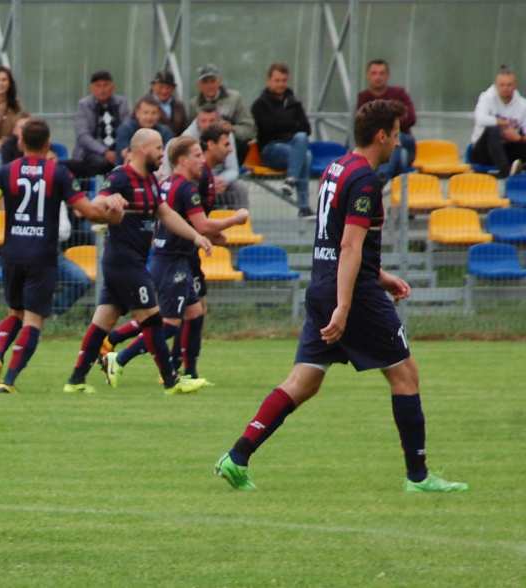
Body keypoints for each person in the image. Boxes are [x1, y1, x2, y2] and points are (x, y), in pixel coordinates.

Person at [214, 100, 469, 495]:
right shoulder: (365, 180)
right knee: (405, 374)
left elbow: (336, 242)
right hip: (350, 294)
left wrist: (380, 276)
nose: (398, 141)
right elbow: (350, 246)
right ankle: (419, 477)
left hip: (324, 284)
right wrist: (346, 305)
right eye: (396, 133)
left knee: (304, 381)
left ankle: (237, 456)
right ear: (381, 136)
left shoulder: (338, 168)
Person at [0, 120, 126, 394]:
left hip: (12, 253)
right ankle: (9, 380)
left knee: (14, 312)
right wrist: (112, 216)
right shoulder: (58, 173)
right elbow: (87, 212)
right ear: (48, 143)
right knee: (32, 320)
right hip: (42, 255)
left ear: (21, 143)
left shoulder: (7, 171)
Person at [63, 129, 213, 396]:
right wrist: (108, 200)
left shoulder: (151, 181)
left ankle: (75, 380)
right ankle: (171, 381)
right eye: (158, 148)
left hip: (130, 261)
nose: (161, 154)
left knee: (102, 323)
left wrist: (196, 236)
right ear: (143, 149)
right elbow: (97, 203)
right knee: (154, 321)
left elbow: (165, 213)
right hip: (124, 262)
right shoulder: (121, 176)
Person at [101, 135, 248, 387]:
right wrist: (236, 219)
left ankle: (187, 371)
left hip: (170, 257)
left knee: (194, 311)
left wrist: (208, 236)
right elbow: (202, 224)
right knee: (167, 325)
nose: (202, 160)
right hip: (172, 261)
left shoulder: (168, 184)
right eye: (197, 155)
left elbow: (184, 222)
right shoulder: (187, 188)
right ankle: (120, 359)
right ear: (182, 159)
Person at [252, 62, 313, 218]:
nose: (281, 84)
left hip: (292, 146)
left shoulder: (294, 102)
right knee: (304, 155)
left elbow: (306, 129)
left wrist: (284, 125)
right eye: (277, 80)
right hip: (270, 149)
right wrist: (291, 125)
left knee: (302, 141)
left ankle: (291, 181)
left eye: (284, 80)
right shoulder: (260, 105)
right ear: (269, 81)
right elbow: (267, 130)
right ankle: (304, 206)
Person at [164, 104, 249, 209]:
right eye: (203, 121)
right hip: (193, 181)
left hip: (219, 180)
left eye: (211, 120)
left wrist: (220, 180)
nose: (207, 125)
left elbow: (233, 169)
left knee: (239, 188)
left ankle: (241, 223)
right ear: (210, 145)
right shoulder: (187, 138)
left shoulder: (225, 134)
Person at [357, 59, 417, 182]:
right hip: (377, 140)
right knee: (389, 146)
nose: (378, 77)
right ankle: (381, 179)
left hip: (403, 138)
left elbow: (411, 118)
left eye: (381, 73)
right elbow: (361, 124)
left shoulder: (399, 93)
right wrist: (391, 120)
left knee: (392, 138)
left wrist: (385, 125)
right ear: (368, 76)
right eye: (374, 73)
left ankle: (381, 177)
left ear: (387, 75)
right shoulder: (363, 97)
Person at [189, 64, 255, 163]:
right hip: (205, 146)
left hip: (231, 144)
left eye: (212, 81)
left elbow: (250, 129)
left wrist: (231, 129)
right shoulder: (193, 104)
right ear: (199, 85)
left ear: (219, 81)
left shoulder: (235, 98)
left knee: (242, 143)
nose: (209, 85)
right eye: (205, 82)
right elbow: (192, 131)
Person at [72, 70, 131, 177]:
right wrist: (104, 152)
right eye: (98, 86)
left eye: (105, 85)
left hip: (118, 150)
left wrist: (119, 151)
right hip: (92, 152)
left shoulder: (122, 102)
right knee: (102, 162)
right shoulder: (84, 105)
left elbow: (127, 129)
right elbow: (83, 136)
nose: (102, 90)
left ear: (113, 87)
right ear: (92, 88)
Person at [470, 65, 526, 178]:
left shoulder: (522, 105)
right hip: (482, 151)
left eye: (509, 85)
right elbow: (480, 118)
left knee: (522, 139)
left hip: (507, 149)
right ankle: (505, 171)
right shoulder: (486, 98)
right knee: (493, 129)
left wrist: (518, 138)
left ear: (515, 86)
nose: (505, 88)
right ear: (496, 86)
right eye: (502, 85)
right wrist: (503, 123)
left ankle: (518, 168)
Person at [115, 96, 174, 164]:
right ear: (137, 113)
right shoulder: (126, 128)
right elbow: (125, 153)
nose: (149, 117)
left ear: (159, 114)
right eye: (146, 112)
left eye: (154, 113)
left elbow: (169, 153)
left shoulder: (165, 131)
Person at [148, 70, 189, 135]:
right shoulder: (145, 105)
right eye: (160, 87)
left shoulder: (179, 106)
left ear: (173, 88)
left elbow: (185, 129)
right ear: (153, 86)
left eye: (168, 87)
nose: (164, 91)